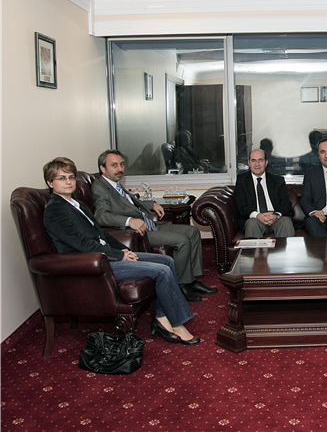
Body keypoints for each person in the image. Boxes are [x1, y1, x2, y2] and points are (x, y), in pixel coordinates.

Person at [42, 157, 200, 345]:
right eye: (61, 178)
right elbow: (82, 244)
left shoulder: (78, 205)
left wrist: (125, 250)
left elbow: (102, 234)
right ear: (50, 183)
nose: (68, 182)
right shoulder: (55, 210)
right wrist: (118, 255)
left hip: (107, 254)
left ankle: (161, 317)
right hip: (92, 263)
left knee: (167, 261)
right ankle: (177, 324)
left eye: (71, 177)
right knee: (162, 270)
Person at [91, 150, 216, 303]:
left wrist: (152, 204)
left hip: (150, 224)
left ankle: (192, 280)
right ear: (103, 168)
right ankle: (181, 285)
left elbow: (131, 203)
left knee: (193, 231)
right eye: (114, 165)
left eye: (122, 164)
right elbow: (100, 216)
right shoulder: (100, 187)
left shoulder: (115, 184)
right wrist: (129, 221)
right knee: (182, 240)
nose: (120, 169)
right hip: (138, 232)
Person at [234, 148, 295, 238]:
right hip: (255, 219)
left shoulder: (277, 180)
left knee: (286, 221)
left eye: (260, 160)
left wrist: (275, 215)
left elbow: (286, 203)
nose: (257, 164)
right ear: (249, 163)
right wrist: (258, 215)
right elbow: (241, 206)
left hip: (276, 218)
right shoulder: (242, 181)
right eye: (253, 161)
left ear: (266, 163)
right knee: (252, 223)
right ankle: (254, 248)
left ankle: (282, 248)